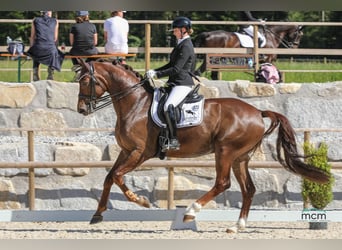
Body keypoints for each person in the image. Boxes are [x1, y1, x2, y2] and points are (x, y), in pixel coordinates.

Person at [146, 16, 196, 151]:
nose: (173, 32)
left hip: (183, 83)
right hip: (175, 82)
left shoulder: (186, 46)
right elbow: (170, 64)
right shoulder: (180, 44)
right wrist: (155, 70)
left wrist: (157, 75)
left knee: (168, 106)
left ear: (183, 30)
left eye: (175, 30)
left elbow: (176, 69)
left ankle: (173, 140)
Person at [26, 11, 64, 81]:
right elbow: (55, 38)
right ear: (49, 13)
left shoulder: (35, 20)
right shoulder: (55, 21)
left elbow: (32, 37)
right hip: (50, 50)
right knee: (54, 51)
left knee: (36, 49)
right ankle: (50, 73)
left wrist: (31, 49)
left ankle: (35, 72)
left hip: (38, 48)